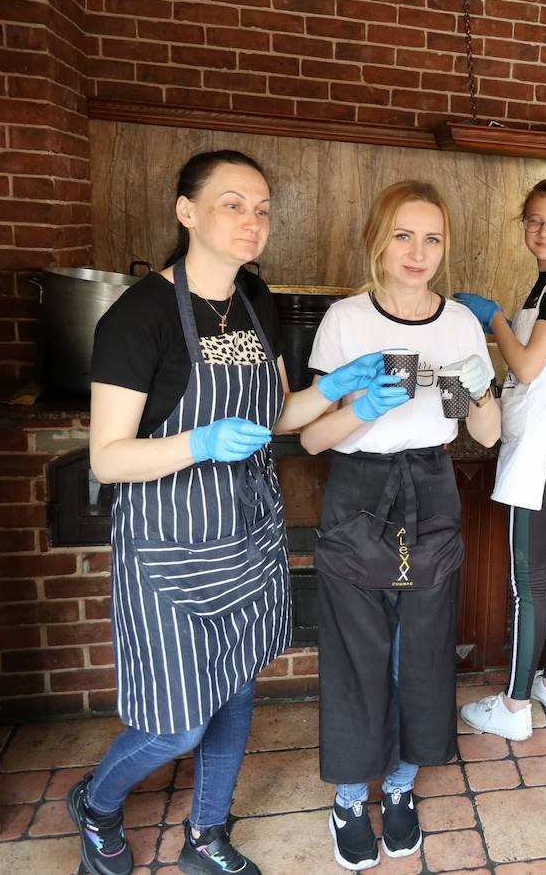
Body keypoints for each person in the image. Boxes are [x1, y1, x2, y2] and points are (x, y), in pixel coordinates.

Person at [77, 150, 404, 875]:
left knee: (232, 696)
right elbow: (107, 456)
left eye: (260, 208)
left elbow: (279, 413)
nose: (251, 220)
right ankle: (98, 805)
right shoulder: (139, 317)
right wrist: (199, 441)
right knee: (175, 723)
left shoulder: (254, 298)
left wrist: (341, 391)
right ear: (186, 212)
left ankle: (207, 835)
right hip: (170, 550)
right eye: (232, 204)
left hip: (249, 537)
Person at [300, 180, 499, 871]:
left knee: (420, 642)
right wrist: (368, 407)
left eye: (433, 238)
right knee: (359, 648)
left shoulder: (461, 326)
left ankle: (405, 784)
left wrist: (476, 391)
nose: (419, 252)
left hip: (432, 489)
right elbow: (314, 440)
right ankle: (352, 796)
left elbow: (487, 429)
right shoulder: (346, 321)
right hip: (361, 493)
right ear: (378, 241)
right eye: (405, 235)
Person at [453, 179, 546, 741]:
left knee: (526, 581)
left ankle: (514, 709)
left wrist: (491, 319)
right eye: (535, 221)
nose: (544, 231)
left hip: (544, 445)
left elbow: (531, 366)